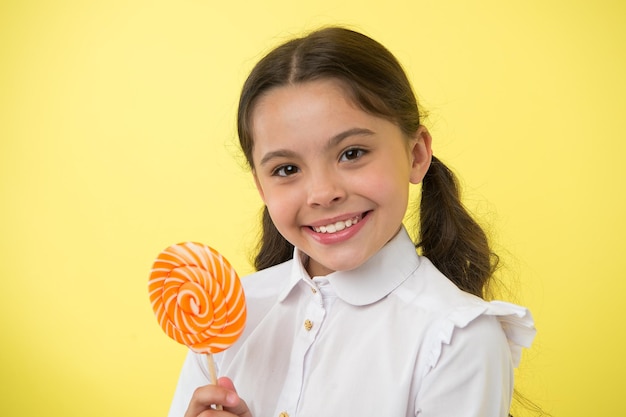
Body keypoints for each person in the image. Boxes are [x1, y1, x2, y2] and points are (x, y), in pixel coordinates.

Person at [168, 26, 536, 417]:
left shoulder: (458, 338)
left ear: (415, 155)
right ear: (261, 186)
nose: (323, 193)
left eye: (352, 153)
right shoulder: (224, 319)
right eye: (287, 168)